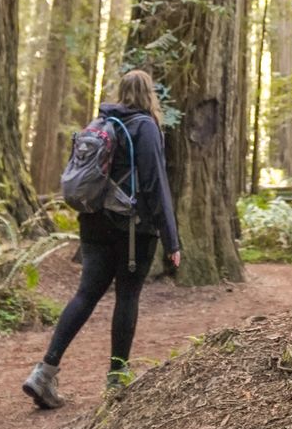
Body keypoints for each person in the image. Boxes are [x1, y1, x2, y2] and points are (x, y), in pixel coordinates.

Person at [23, 68, 181, 408]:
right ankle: (116, 378)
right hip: (132, 230)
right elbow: (156, 185)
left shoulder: (100, 123)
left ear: (122, 91)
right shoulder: (145, 127)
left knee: (86, 294)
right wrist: (172, 240)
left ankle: (44, 371)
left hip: (93, 223)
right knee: (127, 296)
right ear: (150, 94)